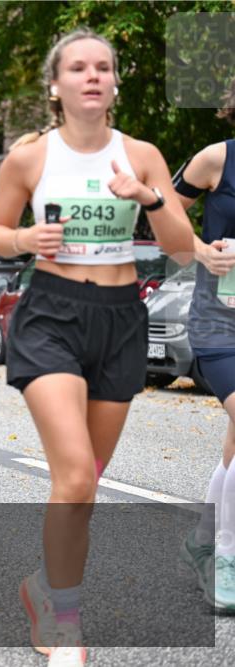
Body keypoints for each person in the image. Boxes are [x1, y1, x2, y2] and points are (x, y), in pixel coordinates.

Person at [0, 29, 194, 666]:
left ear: (114, 84)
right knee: (73, 475)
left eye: (103, 67)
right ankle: (65, 625)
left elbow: (183, 248)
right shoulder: (29, 157)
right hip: (50, 314)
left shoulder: (142, 155)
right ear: (57, 86)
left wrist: (148, 197)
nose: (93, 76)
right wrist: (25, 242)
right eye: (79, 67)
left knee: (86, 486)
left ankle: (45, 590)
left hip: (119, 318)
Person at [174, 85, 235, 611]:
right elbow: (165, 214)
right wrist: (200, 252)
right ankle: (228, 559)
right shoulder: (217, 158)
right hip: (221, 321)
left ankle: (202, 540)